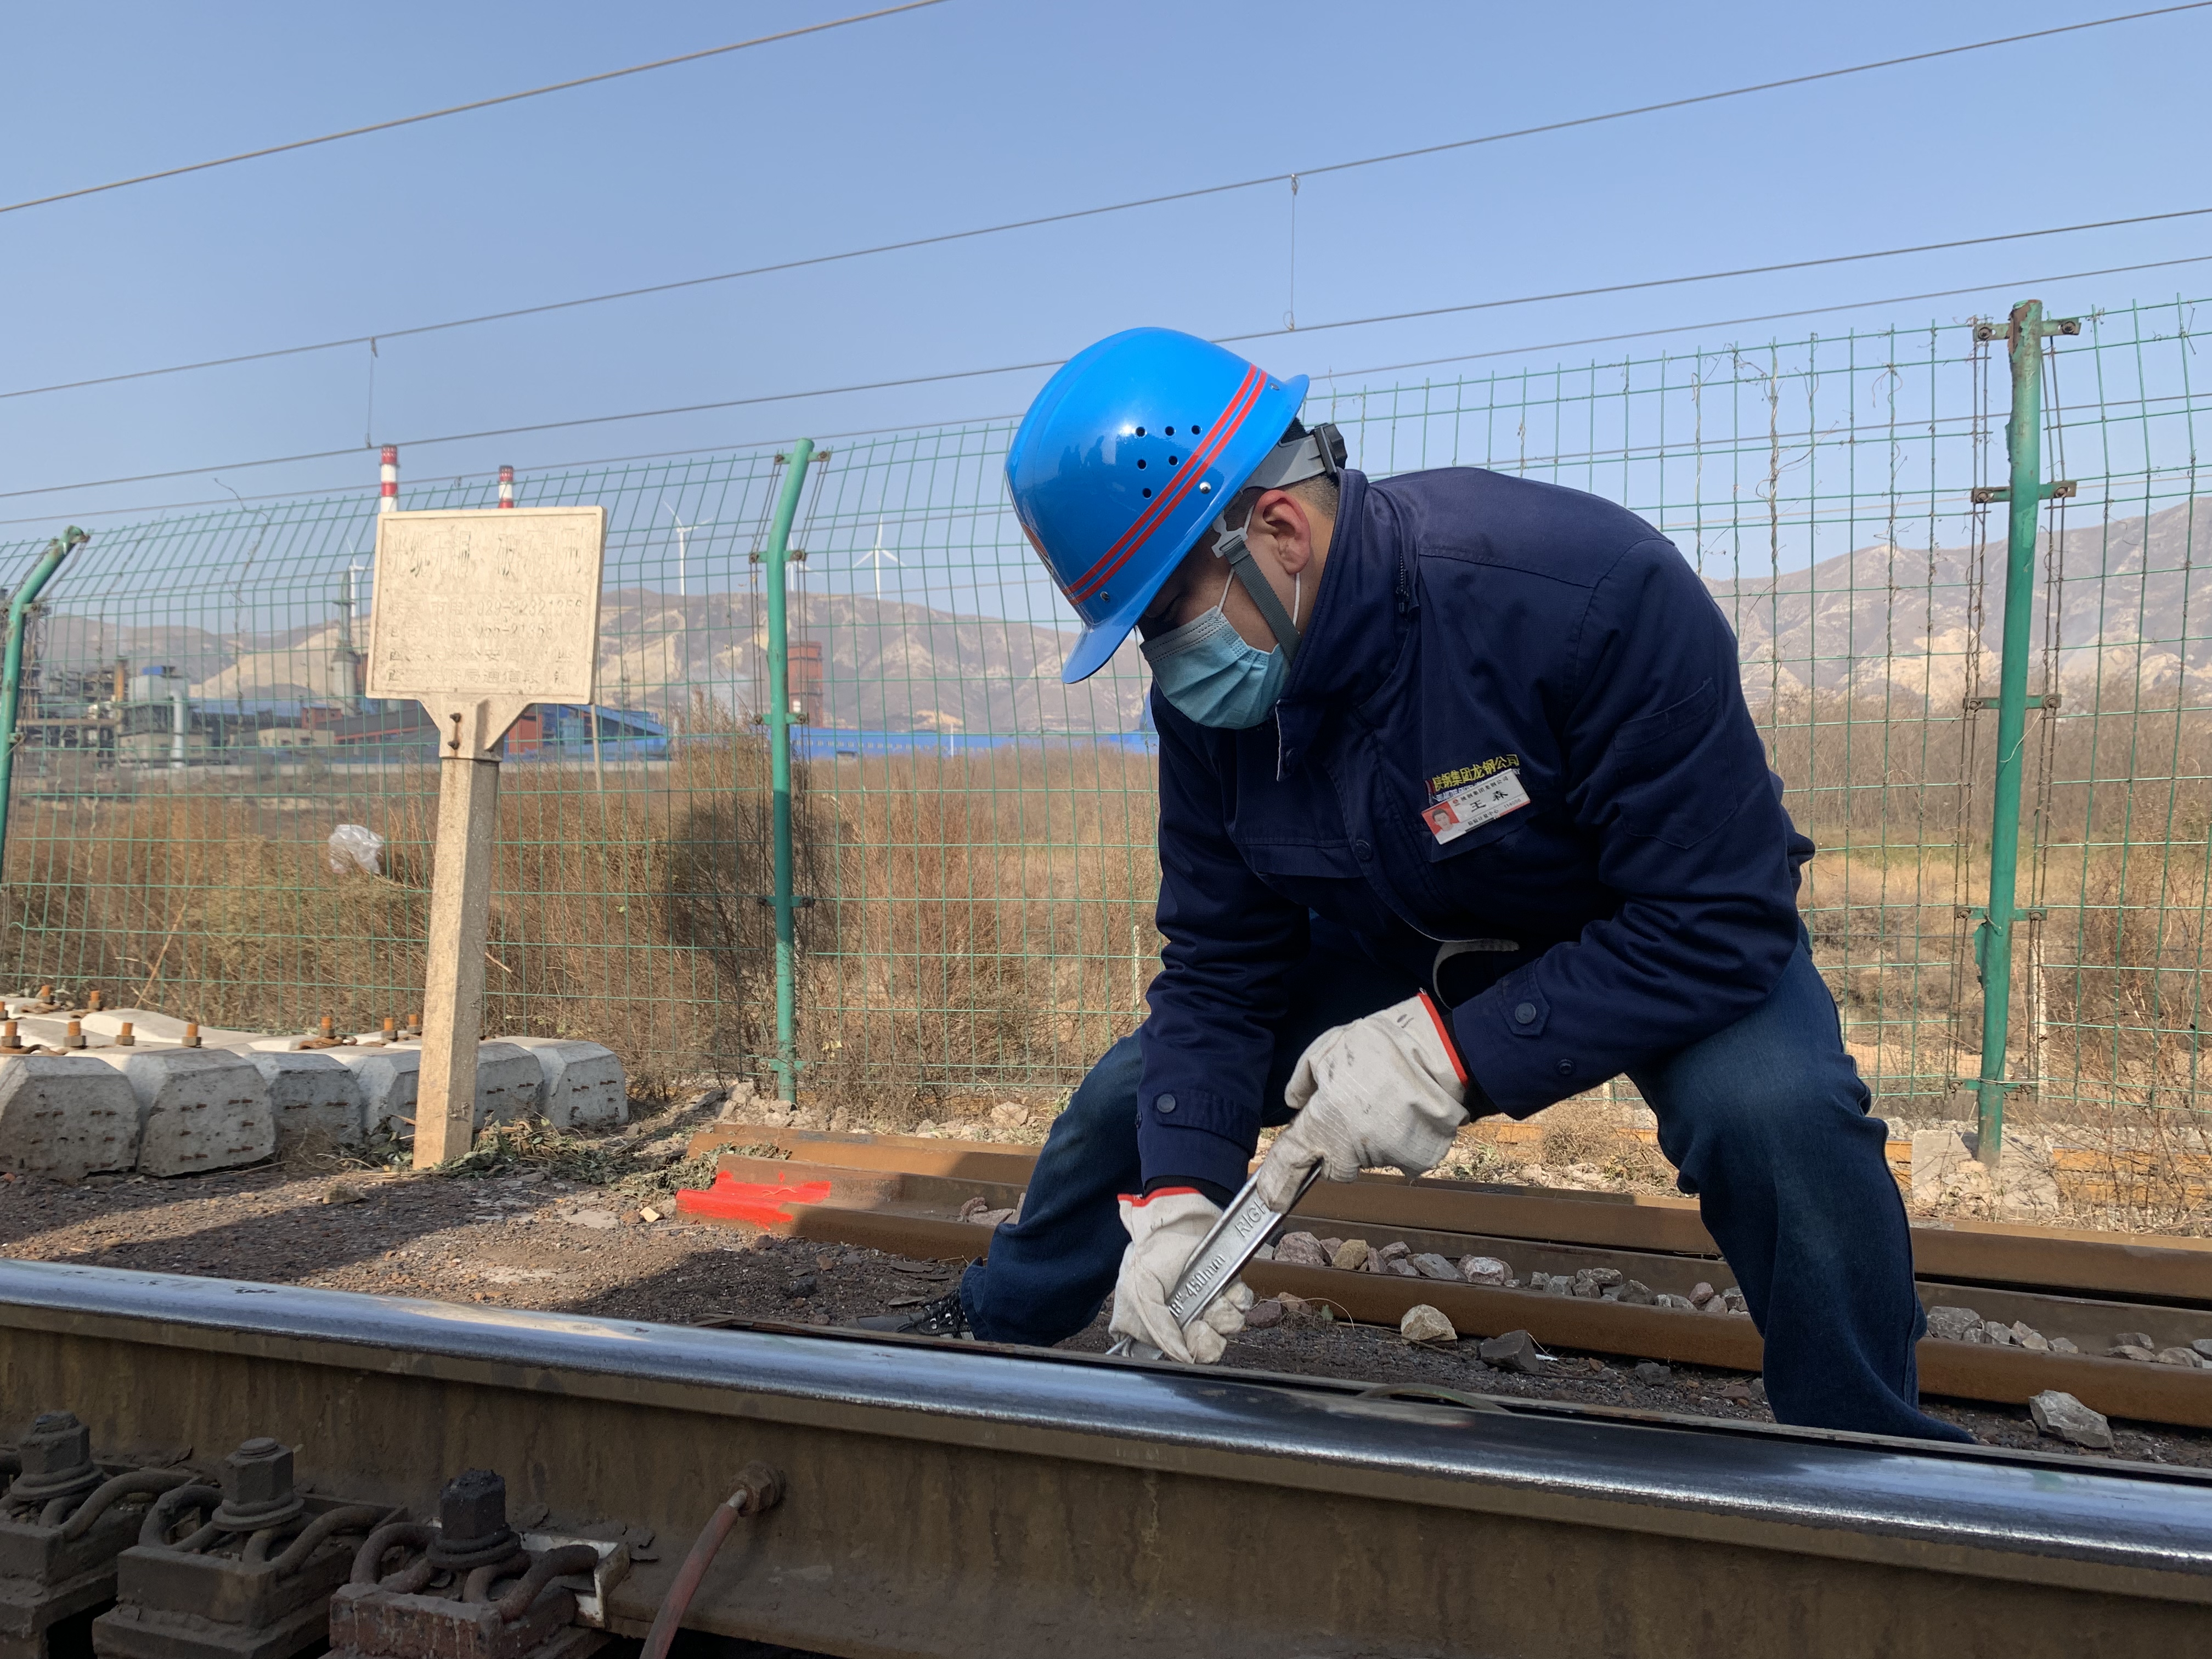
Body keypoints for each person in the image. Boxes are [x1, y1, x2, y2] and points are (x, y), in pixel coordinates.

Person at [859, 326, 1968, 1443]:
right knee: (1135, 1102)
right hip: (1407, 938)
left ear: (1276, 531)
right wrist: (1180, 1200)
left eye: (1161, 618)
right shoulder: (1220, 702)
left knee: (1780, 1118)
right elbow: (1218, 970)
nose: (1165, 661)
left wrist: (1455, 1053)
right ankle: (987, 1334)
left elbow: (1722, 919)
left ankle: (1870, 1454)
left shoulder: (1584, 592)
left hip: (1654, 937)